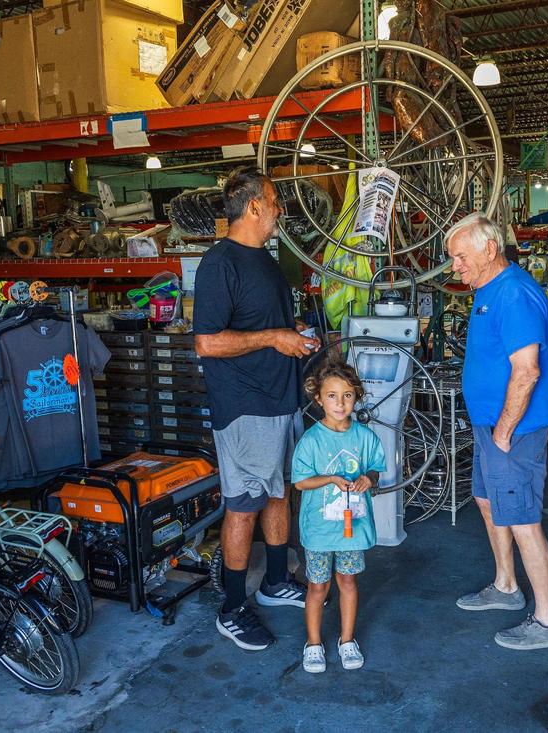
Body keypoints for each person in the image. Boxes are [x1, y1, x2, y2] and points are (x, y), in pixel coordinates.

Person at [194, 166, 321, 651]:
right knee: (244, 505)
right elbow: (206, 342)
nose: (279, 210)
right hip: (245, 406)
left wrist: (295, 335)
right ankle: (231, 607)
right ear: (253, 206)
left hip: (281, 399)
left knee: (279, 494)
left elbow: (270, 326)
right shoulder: (219, 263)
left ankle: (273, 582)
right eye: (273, 201)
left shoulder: (265, 260)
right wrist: (274, 337)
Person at [447, 212, 548, 651]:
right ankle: (505, 586)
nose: (455, 266)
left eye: (460, 257)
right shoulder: (487, 290)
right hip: (491, 429)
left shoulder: (514, 294)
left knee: (522, 519)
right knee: (486, 500)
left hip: (512, 432)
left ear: (488, 248)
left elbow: (527, 372)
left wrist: (502, 433)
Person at [291, 361, 385, 673]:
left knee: (347, 581)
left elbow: (375, 470)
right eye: (332, 396)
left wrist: (369, 479)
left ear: (356, 397)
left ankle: (347, 640)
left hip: (351, 530)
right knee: (317, 586)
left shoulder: (366, 437)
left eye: (347, 395)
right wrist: (330, 479)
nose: (340, 403)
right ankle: (314, 643)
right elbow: (300, 482)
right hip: (319, 530)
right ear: (318, 398)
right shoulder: (311, 440)